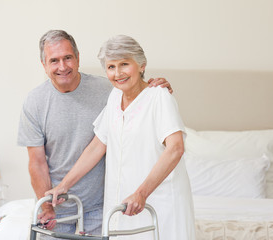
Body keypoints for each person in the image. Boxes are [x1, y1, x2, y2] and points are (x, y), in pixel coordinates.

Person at [17, 30, 172, 239]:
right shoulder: (35, 102)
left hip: (100, 206)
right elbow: (37, 163)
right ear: (44, 65)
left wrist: (154, 88)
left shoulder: (109, 91)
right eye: (54, 61)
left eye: (68, 58)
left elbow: (136, 92)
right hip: (56, 207)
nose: (62, 67)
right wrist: (47, 208)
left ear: (78, 58)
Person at [46, 35, 196, 239]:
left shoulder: (159, 96)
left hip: (159, 204)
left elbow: (176, 148)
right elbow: (98, 145)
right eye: (111, 67)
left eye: (125, 64)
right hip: (123, 203)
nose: (118, 73)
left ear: (142, 65)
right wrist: (64, 185)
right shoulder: (115, 97)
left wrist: (141, 193)